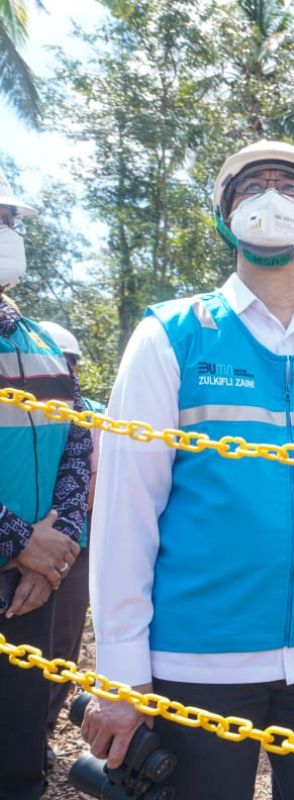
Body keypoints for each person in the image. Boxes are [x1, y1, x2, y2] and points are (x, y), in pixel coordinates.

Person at [81, 140, 294, 799]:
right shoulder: (170, 338)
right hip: (194, 663)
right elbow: (123, 521)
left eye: (292, 187)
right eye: (252, 187)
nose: (271, 198)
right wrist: (122, 675)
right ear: (225, 216)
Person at [0, 172, 90, 798]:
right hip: (18, 558)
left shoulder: (39, 344)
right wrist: (13, 539)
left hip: (34, 585)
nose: (7, 235)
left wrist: (54, 548)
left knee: (20, 745)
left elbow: (79, 450)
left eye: (10, 221)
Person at [36, 321, 105, 741]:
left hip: (72, 550)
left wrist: (55, 541)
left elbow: (95, 483)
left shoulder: (94, 415)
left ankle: (40, 731)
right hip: (17, 547)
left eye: (70, 365)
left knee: (61, 647)